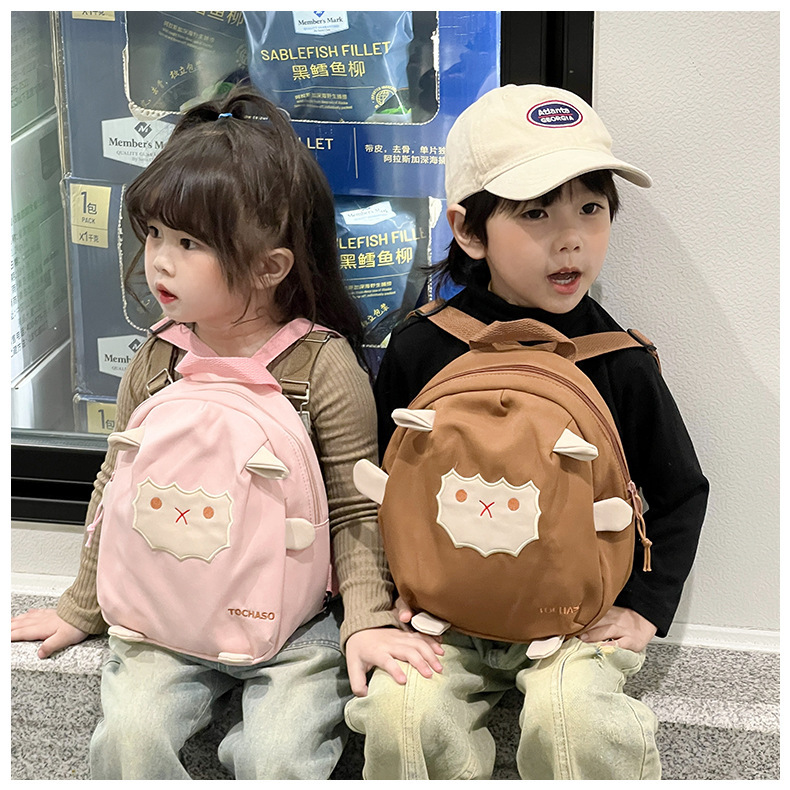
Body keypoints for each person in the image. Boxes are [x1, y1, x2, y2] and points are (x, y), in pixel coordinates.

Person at [10, 84, 441, 779]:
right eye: (155, 233)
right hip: (166, 616)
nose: (160, 259)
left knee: (279, 757)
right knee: (127, 740)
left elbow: (357, 506)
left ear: (271, 266)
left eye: (189, 243)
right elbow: (115, 482)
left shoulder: (321, 365)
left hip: (297, 625)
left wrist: (365, 619)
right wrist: (82, 605)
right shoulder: (157, 357)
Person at [343, 83, 709, 780]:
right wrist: (382, 594)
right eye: (536, 212)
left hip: (576, 620)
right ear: (468, 230)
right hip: (441, 614)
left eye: (591, 208)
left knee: (580, 723)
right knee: (401, 716)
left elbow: (681, 491)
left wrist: (645, 609)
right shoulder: (421, 348)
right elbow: (375, 482)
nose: (571, 238)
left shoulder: (619, 361)